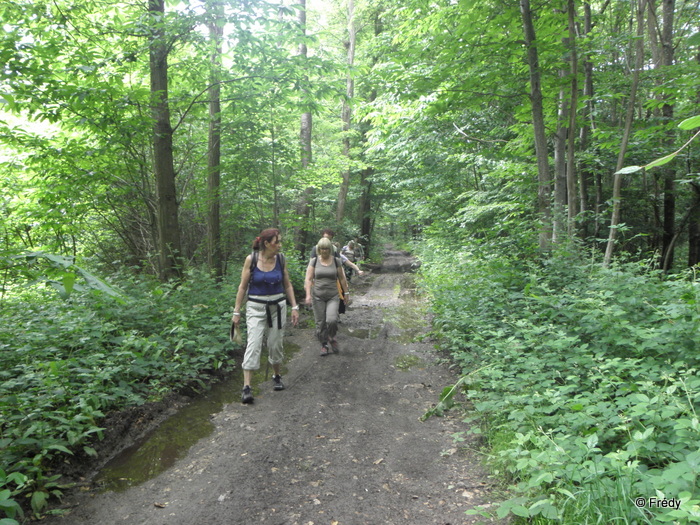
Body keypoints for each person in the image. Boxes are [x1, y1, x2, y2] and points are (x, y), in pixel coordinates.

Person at [232, 228, 299, 404]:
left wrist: (295, 307)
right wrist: (236, 311)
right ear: (267, 243)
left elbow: (288, 285)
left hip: (277, 306)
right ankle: (246, 387)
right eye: (277, 242)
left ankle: (277, 375)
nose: (280, 245)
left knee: (275, 343)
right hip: (255, 307)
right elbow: (242, 287)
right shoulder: (251, 259)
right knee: (253, 344)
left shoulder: (281, 259)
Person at [304, 237, 350, 356]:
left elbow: (342, 278)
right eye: (322, 249)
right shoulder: (314, 261)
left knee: (332, 320)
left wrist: (346, 293)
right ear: (319, 249)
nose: (324, 251)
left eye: (326, 249)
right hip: (317, 296)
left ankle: (331, 337)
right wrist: (308, 295)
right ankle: (324, 344)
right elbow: (308, 279)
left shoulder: (336, 261)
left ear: (330, 249)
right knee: (321, 322)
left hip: (333, 295)